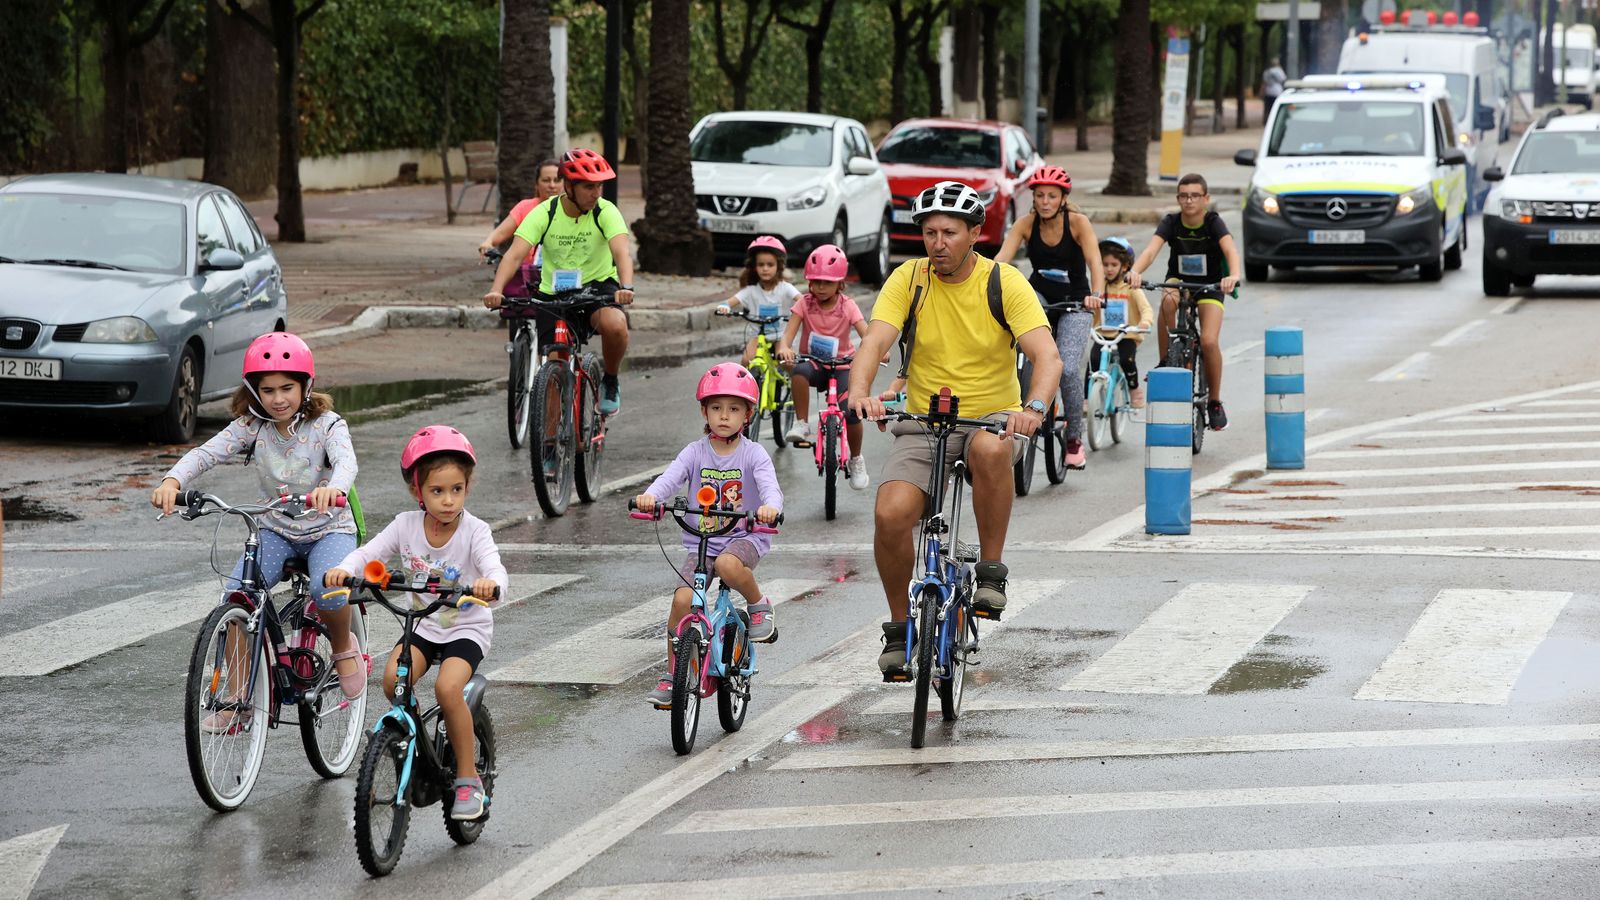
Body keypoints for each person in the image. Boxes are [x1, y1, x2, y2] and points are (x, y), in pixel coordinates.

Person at [846, 181, 1063, 679]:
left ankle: (990, 573)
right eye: (929, 233)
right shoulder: (910, 278)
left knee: (990, 450)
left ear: (974, 233)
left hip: (993, 416)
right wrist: (860, 392)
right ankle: (899, 628)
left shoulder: (1003, 282)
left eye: (949, 232)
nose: (938, 243)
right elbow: (875, 342)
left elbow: (1047, 356)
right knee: (890, 514)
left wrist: (1033, 407)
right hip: (925, 421)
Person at [151, 332, 364, 717]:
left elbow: (346, 462)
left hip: (328, 530)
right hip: (276, 530)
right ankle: (238, 700)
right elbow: (205, 454)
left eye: (287, 388)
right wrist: (172, 481)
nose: (278, 399)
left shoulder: (327, 425)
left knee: (327, 587)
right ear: (254, 391)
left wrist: (333, 488)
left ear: (306, 386)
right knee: (237, 597)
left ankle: (342, 646)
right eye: (268, 390)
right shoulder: (252, 426)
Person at [324, 425, 508, 821]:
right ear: (417, 491)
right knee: (393, 681)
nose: (448, 500)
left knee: (447, 688)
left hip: (466, 628)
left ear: (467, 487)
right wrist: (344, 569)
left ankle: (467, 778)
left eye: (457, 489)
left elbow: (495, 568)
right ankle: (420, 739)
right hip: (422, 626)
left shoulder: (475, 531)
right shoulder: (405, 525)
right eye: (437, 491)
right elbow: (369, 553)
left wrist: (490, 584)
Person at [635, 364, 783, 707]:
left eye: (734, 409)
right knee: (681, 602)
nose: (724, 416)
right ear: (704, 411)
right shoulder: (694, 452)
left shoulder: (754, 454)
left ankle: (758, 604)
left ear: (747, 414)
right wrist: (651, 497)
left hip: (744, 537)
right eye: (716, 407)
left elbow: (770, 488)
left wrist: (770, 508)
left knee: (729, 566)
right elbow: (670, 478)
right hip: (702, 543)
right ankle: (673, 674)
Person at [483, 148, 634, 416]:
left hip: (596, 288)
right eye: (589, 187)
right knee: (554, 367)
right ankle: (551, 437)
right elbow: (515, 254)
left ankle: (610, 380)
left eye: (599, 186)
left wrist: (626, 286)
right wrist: (496, 290)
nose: (596, 193)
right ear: (569, 186)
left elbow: (621, 251)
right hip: (554, 293)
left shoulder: (605, 211)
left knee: (616, 324)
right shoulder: (546, 212)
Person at [996, 165, 1104, 470]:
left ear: (1063, 199)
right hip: (1039, 296)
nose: (1045, 202)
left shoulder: (1078, 223)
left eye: (1052, 196)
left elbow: (1095, 261)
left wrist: (1096, 294)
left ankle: (1074, 439)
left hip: (1076, 300)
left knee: (1067, 369)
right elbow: (1001, 260)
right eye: (1040, 195)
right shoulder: (1025, 224)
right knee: (1019, 353)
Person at [1128, 173, 1243, 430]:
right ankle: (1168, 357)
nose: (1189, 201)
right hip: (1179, 280)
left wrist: (1233, 276)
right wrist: (1135, 271)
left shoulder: (1213, 222)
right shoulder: (1171, 222)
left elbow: (1230, 250)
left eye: (1194, 196)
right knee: (1168, 297)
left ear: (1206, 198)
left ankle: (1214, 401)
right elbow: (1151, 251)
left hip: (1210, 285)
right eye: (1183, 196)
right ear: (1178, 198)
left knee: (1209, 341)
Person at [776, 243, 872, 490]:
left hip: (843, 367)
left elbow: (868, 335)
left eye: (827, 282)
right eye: (816, 281)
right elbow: (787, 336)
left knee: (851, 412)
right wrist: (785, 347)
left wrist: (878, 351)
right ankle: (801, 423)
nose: (820, 287)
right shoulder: (804, 304)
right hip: (815, 364)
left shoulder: (848, 306)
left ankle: (856, 458)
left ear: (840, 283)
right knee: (799, 371)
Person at [476, 159, 563, 298]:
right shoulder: (525, 207)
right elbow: (501, 232)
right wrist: (488, 242)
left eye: (557, 180)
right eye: (546, 180)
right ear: (536, 184)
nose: (552, 185)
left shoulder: (573, 211)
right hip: (528, 277)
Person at [716, 235, 801, 369]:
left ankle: (793, 382)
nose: (765, 268)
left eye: (770, 265)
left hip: (781, 335)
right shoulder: (750, 291)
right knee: (746, 360)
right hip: (758, 335)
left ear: (779, 266)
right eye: (761, 265)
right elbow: (728, 302)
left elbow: (803, 301)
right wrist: (724, 307)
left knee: (786, 361)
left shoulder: (786, 288)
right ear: (754, 267)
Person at [1089, 236, 1154, 408]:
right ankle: (1087, 398)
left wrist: (1144, 323)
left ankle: (1134, 389)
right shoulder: (1098, 286)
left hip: (1126, 335)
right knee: (1093, 360)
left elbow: (1146, 309)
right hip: (1103, 334)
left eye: (1114, 264)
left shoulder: (1131, 288)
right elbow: (1090, 306)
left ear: (1124, 266)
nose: (1109, 269)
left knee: (1127, 360)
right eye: (1105, 264)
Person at [1262, 57, 1287, 123]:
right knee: (1276, 108)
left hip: (1268, 92)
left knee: (1269, 108)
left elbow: (1265, 81)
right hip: (1277, 91)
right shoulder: (1279, 70)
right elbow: (1283, 79)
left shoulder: (1267, 71)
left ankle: (1267, 120)